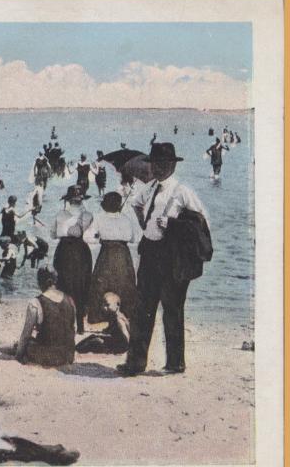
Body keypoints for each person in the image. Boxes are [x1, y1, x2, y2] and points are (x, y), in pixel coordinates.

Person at [118, 143, 211, 376]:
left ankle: (175, 364)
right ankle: (135, 363)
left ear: (171, 165)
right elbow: (138, 206)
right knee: (143, 309)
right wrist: (140, 215)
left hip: (171, 257)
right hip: (149, 252)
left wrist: (172, 224)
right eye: (154, 164)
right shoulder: (150, 188)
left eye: (161, 165)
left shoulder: (182, 192)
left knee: (172, 309)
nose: (157, 169)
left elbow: (201, 225)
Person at [84, 192, 137, 324]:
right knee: (124, 285)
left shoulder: (100, 218)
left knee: (101, 285)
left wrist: (99, 238)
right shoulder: (126, 218)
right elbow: (132, 238)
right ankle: (123, 316)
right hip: (123, 255)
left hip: (107, 254)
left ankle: (101, 317)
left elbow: (87, 237)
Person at [51, 185, 93, 334]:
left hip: (64, 250)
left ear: (68, 200)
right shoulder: (87, 215)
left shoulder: (60, 214)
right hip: (81, 250)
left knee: (63, 284)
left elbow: (53, 235)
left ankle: (65, 322)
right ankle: (80, 324)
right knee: (81, 285)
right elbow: (91, 235)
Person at [15, 266, 76, 367]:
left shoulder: (36, 302)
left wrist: (18, 356)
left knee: (25, 343)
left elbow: (26, 334)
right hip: (68, 356)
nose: (38, 284)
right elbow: (73, 329)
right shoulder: (70, 300)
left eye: (39, 280)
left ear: (47, 281)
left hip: (47, 357)